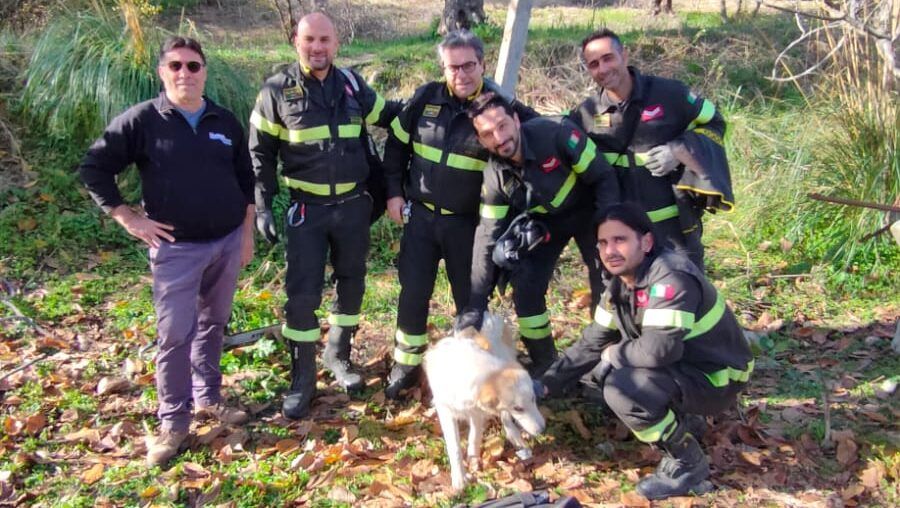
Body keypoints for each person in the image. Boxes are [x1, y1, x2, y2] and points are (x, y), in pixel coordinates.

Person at [79, 36, 255, 466]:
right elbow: (94, 167)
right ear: (162, 72)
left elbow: (246, 181)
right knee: (176, 334)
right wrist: (128, 217)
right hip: (176, 250)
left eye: (193, 66)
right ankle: (174, 422)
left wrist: (246, 234)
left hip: (227, 241)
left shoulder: (224, 121)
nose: (184, 74)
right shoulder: (143, 120)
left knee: (213, 323)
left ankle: (208, 399)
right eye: (175, 65)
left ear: (204, 72)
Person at [535, 203, 754, 500]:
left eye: (620, 240)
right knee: (598, 376)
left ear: (647, 242)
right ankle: (685, 422)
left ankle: (687, 464)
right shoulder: (621, 284)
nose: (610, 250)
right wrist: (544, 384)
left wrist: (613, 355)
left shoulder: (671, 280)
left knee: (623, 387)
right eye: (603, 242)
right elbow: (592, 342)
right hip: (690, 363)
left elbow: (657, 352)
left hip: (719, 375)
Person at [249, 13, 398, 419]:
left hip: (353, 207)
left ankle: (338, 356)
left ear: (337, 43)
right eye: (309, 39)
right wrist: (263, 205)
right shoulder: (276, 91)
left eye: (325, 40)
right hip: (307, 210)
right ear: (296, 42)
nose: (317, 47)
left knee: (352, 283)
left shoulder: (352, 85)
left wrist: (440, 102)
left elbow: (391, 116)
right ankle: (303, 378)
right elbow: (260, 154)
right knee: (302, 295)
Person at [381, 30, 537, 399]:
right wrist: (393, 193)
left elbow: (538, 137)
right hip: (420, 218)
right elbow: (396, 146)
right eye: (453, 67)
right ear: (443, 68)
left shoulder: (497, 107)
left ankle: (479, 370)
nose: (461, 74)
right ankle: (406, 365)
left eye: (469, 65)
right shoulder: (425, 98)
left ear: (482, 64)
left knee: (470, 300)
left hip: (469, 225)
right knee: (413, 293)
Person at [457, 92, 620, 376]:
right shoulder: (495, 175)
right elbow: (487, 236)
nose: (499, 138)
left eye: (502, 126)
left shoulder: (557, 133)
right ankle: (545, 364)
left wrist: (609, 232)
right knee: (526, 287)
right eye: (488, 134)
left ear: (516, 120)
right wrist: (476, 303)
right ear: (481, 140)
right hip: (545, 224)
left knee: (606, 283)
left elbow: (603, 177)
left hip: (590, 212)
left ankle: (605, 363)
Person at [569, 29, 733, 272]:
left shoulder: (671, 94)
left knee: (685, 288)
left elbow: (715, 123)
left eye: (608, 58)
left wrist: (676, 152)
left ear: (624, 55)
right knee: (630, 293)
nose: (602, 69)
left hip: (676, 228)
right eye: (594, 64)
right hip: (624, 237)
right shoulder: (586, 114)